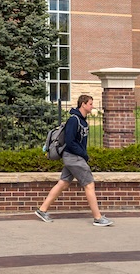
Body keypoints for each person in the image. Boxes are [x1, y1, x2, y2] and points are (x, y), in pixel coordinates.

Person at [35, 94, 113, 227]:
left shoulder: (83, 120)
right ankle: (98, 218)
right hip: (73, 157)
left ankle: (42, 210)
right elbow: (70, 142)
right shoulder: (74, 120)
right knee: (89, 184)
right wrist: (84, 154)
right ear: (83, 104)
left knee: (63, 183)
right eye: (90, 104)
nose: (92, 106)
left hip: (75, 157)